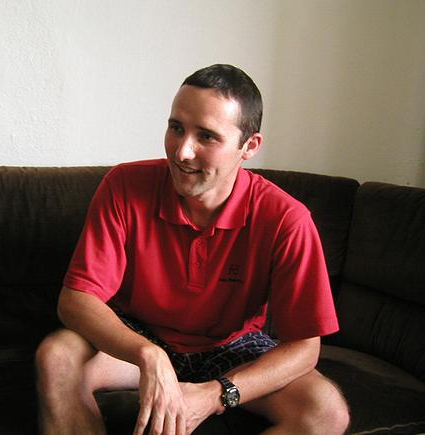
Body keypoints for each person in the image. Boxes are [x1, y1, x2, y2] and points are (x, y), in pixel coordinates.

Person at [36, 64, 350, 435]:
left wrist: (218, 394)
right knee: (57, 357)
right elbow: (76, 300)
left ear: (249, 146)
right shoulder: (124, 185)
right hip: (139, 334)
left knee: (326, 412)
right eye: (176, 128)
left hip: (233, 345)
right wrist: (148, 355)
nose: (182, 151)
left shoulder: (287, 219)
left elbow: (304, 347)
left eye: (206, 136)